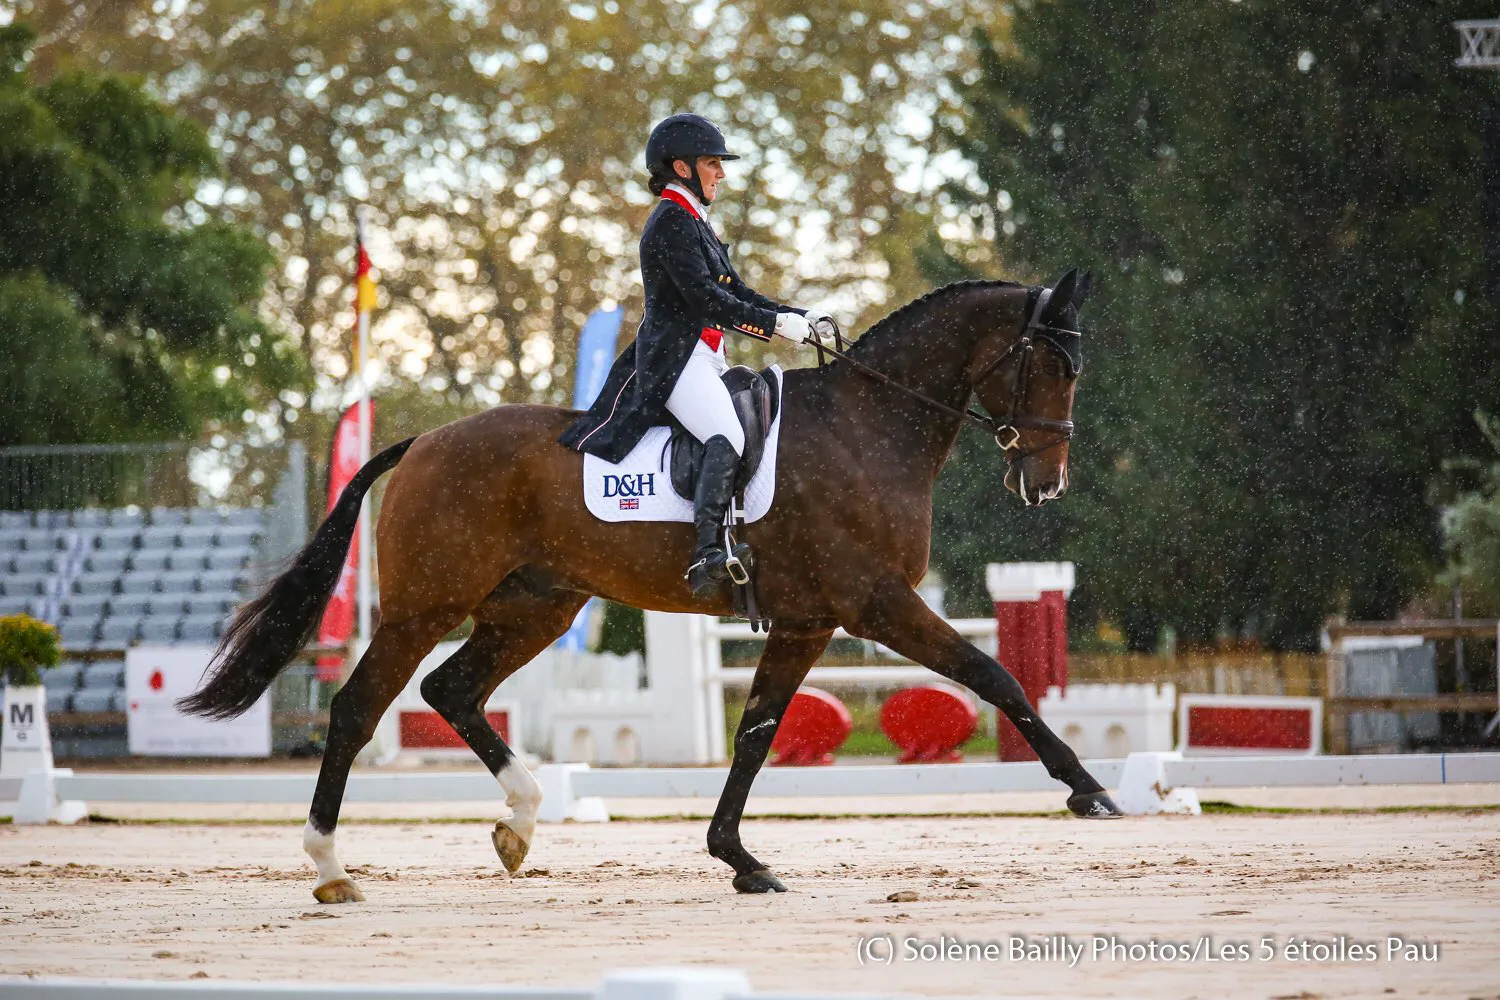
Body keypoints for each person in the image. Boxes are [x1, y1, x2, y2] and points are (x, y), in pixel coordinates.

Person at [560, 113, 836, 596]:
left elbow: (737, 292)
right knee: (725, 432)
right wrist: (775, 326)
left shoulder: (694, 221)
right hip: (676, 360)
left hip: (706, 355)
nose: (721, 174)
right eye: (712, 163)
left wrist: (800, 316)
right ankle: (707, 553)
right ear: (682, 168)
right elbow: (707, 300)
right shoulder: (670, 221)